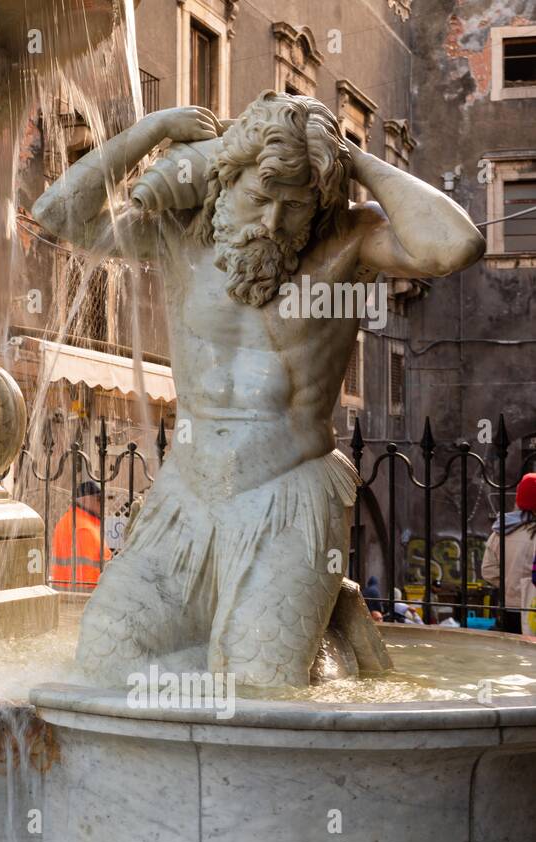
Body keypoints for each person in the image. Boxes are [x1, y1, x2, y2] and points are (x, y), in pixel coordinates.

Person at [33, 90, 483, 685]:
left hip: (290, 493)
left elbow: (455, 245)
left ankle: (314, 645)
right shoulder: (179, 232)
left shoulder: (347, 240)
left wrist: (354, 158)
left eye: (294, 205)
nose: (273, 221)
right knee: (105, 659)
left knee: (259, 682)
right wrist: (151, 130)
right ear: (229, 175)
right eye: (261, 195)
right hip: (185, 498)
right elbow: (56, 213)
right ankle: (297, 637)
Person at [481, 472, 536, 637]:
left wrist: (509, 582)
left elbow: (488, 570)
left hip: (508, 606)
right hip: (532, 606)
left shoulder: (501, 530)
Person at [50, 480, 112, 591]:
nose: (103, 504)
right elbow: (88, 574)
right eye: (99, 499)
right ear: (85, 500)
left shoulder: (73, 520)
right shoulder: (83, 528)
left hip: (68, 595)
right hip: (83, 598)